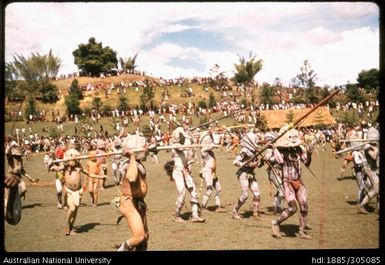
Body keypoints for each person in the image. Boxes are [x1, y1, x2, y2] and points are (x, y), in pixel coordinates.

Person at [271, 125, 314, 239]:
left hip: (299, 182)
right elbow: (278, 162)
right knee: (292, 208)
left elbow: (307, 163)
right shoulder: (281, 150)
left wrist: (309, 153)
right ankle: (276, 223)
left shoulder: (300, 149)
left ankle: (301, 231)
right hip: (287, 182)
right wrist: (274, 148)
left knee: (304, 207)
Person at [115, 134, 149, 251]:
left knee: (145, 237)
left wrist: (146, 149)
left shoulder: (136, 162)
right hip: (129, 203)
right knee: (139, 237)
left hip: (138, 202)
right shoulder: (128, 164)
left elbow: (145, 154)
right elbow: (132, 177)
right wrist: (133, 157)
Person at [169, 125, 205, 223]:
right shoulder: (175, 145)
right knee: (182, 193)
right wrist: (189, 137)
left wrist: (189, 165)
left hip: (185, 171)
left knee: (194, 192)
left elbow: (189, 156)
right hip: (177, 172)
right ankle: (176, 216)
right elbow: (182, 148)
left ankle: (195, 216)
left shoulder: (185, 144)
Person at [50, 148, 85, 235]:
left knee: (75, 210)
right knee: (72, 208)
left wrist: (99, 176)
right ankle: (67, 224)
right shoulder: (64, 167)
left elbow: (86, 172)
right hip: (69, 190)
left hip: (78, 191)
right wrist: (54, 167)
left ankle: (71, 228)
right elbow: (56, 169)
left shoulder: (79, 167)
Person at [232, 130, 263, 219]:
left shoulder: (256, 151)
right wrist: (246, 164)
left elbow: (259, 165)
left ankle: (255, 213)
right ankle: (235, 211)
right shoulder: (245, 151)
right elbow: (235, 161)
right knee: (245, 195)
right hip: (243, 173)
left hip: (251, 174)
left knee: (257, 193)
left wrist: (261, 162)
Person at [199, 124, 226, 213]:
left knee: (218, 188)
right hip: (207, 171)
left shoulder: (210, 150)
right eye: (209, 140)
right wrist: (213, 144)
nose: (210, 140)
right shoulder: (203, 150)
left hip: (213, 172)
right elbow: (210, 146)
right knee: (209, 188)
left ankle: (218, 206)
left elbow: (215, 144)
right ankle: (203, 206)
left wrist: (221, 133)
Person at [357, 126, 379, 214]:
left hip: (375, 169)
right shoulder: (367, 146)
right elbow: (374, 157)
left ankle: (378, 208)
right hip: (370, 170)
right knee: (376, 189)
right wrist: (377, 150)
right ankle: (361, 205)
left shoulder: (373, 146)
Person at [4, 138, 26, 225]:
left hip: (15, 180)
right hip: (10, 179)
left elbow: (22, 170)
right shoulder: (10, 156)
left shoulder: (19, 161)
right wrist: (8, 145)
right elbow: (7, 153)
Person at [263, 130, 284, 214]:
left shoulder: (278, 148)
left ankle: (277, 208)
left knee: (280, 190)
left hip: (280, 171)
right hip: (273, 171)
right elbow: (267, 159)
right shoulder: (269, 149)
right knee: (282, 191)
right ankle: (278, 208)